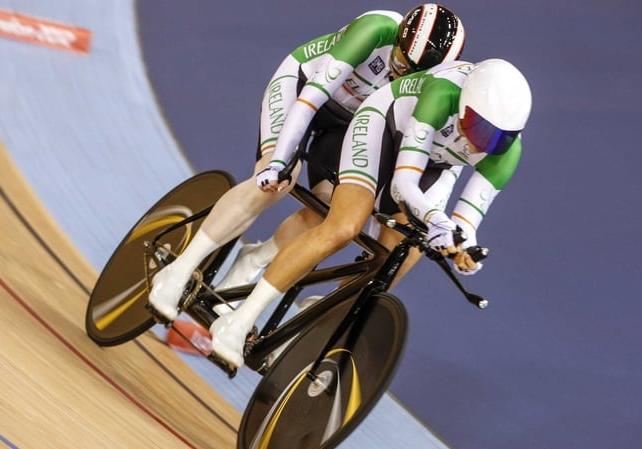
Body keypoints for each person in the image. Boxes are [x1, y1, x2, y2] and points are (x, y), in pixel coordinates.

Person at [148, 4, 466, 322]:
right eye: (400, 62)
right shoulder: (376, 30)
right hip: (302, 88)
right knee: (276, 183)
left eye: (414, 74)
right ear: (397, 40)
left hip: (349, 123)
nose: (401, 74)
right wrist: (279, 162)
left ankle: (253, 259)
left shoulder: (434, 86)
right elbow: (311, 98)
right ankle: (179, 271)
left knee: (326, 209)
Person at [210, 58, 533, 368]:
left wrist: (464, 252)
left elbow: (466, 223)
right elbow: (403, 184)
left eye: (497, 139)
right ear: (463, 104)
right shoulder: (442, 94)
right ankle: (238, 322)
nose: (482, 144)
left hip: (436, 163)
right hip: (384, 126)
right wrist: (436, 220)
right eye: (478, 129)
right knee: (343, 227)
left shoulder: (507, 152)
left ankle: (310, 320)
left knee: (400, 257)